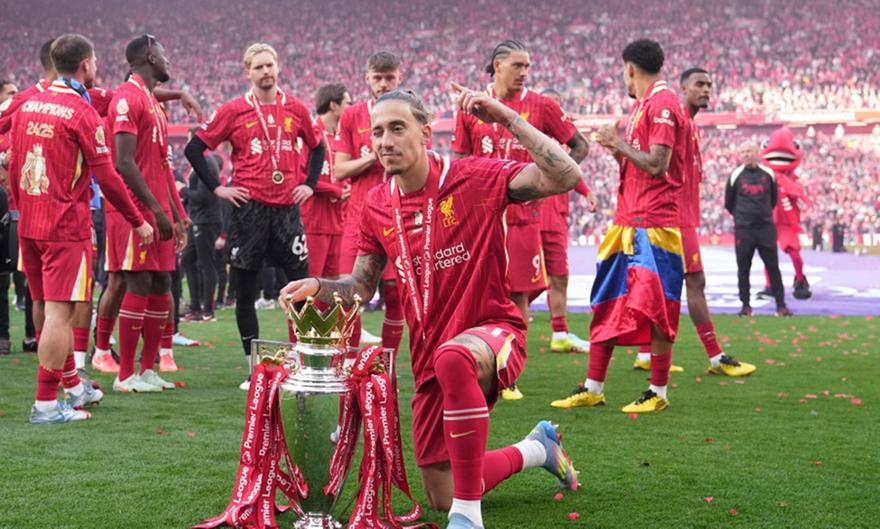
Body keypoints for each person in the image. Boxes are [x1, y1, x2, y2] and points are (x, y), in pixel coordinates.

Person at [280, 86, 580, 529]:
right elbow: (360, 286)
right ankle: (539, 449)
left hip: (492, 331)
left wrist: (506, 117)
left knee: (454, 358)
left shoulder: (474, 176)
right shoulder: (377, 205)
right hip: (428, 358)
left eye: (397, 128)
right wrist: (318, 287)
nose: (385, 141)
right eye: (377, 132)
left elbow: (565, 175)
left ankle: (468, 519)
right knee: (443, 492)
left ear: (425, 133)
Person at [8, 33, 153, 423]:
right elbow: (108, 178)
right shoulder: (81, 113)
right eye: (96, 61)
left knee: (43, 304)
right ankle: (45, 405)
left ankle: (73, 385)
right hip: (64, 227)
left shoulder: (27, 104)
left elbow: (15, 165)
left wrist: (23, 209)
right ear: (86, 64)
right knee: (61, 312)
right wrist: (138, 220)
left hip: (30, 223)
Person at [551, 39, 688, 414]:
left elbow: (658, 165)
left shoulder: (662, 103)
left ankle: (658, 391)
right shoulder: (643, 106)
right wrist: (618, 151)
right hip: (629, 220)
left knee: (657, 308)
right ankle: (593, 387)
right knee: (607, 299)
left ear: (630, 69)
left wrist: (618, 143)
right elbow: (643, 165)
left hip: (654, 224)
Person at [452, 40, 589, 400]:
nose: (525, 72)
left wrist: (548, 180)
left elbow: (580, 147)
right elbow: (459, 160)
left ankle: (509, 375)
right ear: (497, 65)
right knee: (479, 292)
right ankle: (476, 364)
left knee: (518, 296)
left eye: (527, 66)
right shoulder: (471, 106)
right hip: (482, 218)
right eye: (518, 65)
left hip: (524, 217)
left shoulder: (542, 105)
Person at [185, 42, 324, 390]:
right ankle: (255, 369)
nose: (265, 72)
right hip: (249, 210)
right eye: (258, 67)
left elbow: (318, 146)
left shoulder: (296, 108)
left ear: (278, 67)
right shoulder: (233, 110)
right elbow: (194, 148)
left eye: (269, 65)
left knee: (301, 288)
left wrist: (309, 184)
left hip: (287, 210)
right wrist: (218, 188)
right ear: (248, 72)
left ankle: (305, 361)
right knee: (245, 291)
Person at [632, 68, 757, 377]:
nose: (706, 90)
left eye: (709, 85)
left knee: (663, 285)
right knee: (693, 282)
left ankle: (646, 353)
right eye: (699, 84)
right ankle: (715, 357)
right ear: (683, 89)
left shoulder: (690, 125)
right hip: (673, 216)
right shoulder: (675, 119)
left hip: (681, 215)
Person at [105, 34, 190, 392]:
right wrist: (154, 210)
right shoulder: (128, 97)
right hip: (136, 210)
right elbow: (123, 163)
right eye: (164, 53)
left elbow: (162, 167)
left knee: (161, 284)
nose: (168, 60)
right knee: (138, 281)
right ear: (150, 56)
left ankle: (146, 369)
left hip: (159, 209)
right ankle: (125, 375)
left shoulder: (152, 102)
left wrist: (177, 215)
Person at [334, 51, 407, 357]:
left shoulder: (411, 111)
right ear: (367, 79)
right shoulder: (352, 116)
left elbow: (419, 162)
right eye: (377, 78)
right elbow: (340, 170)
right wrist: (374, 157)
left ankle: (387, 368)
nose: (383, 84)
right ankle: (350, 365)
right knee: (348, 296)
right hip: (359, 219)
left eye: (389, 77)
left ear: (400, 77)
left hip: (399, 216)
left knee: (396, 297)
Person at [535, 88, 595, 354]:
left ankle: (560, 333)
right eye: (549, 106)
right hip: (527, 218)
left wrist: (587, 192)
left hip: (556, 219)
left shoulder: (562, 146)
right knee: (520, 283)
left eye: (557, 106)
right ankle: (506, 331)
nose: (554, 112)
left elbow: (570, 172)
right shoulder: (528, 139)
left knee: (559, 276)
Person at [725, 142, 792, 317]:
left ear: (757, 153)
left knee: (773, 267)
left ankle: (781, 306)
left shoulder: (768, 174)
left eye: (748, 151)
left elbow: (773, 199)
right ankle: (745, 306)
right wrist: (743, 218)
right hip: (744, 229)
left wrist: (762, 215)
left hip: (765, 228)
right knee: (743, 268)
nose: (745, 155)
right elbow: (729, 202)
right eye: (742, 152)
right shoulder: (735, 175)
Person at [302, 83, 350, 281]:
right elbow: (300, 177)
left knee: (334, 285)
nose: (350, 108)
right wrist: (335, 192)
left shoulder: (342, 136)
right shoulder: (309, 134)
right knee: (311, 284)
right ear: (333, 105)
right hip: (314, 223)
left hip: (338, 223)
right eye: (348, 103)